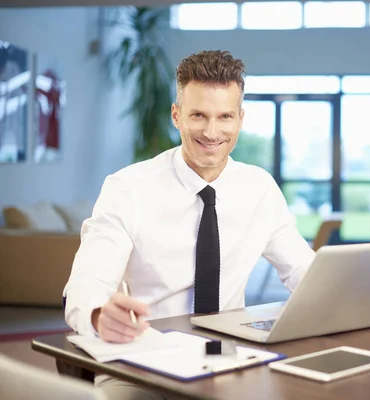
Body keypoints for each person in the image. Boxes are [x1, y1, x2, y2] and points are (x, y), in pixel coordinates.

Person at [63, 50, 316, 399]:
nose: (212, 132)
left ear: (240, 119)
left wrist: (348, 296)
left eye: (224, 116)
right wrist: (97, 314)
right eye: (198, 115)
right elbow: (88, 280)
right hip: (142, 361)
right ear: (176, 115)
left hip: (230, 358)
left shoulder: (260, 189)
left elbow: (304, 270)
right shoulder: (128, 188)